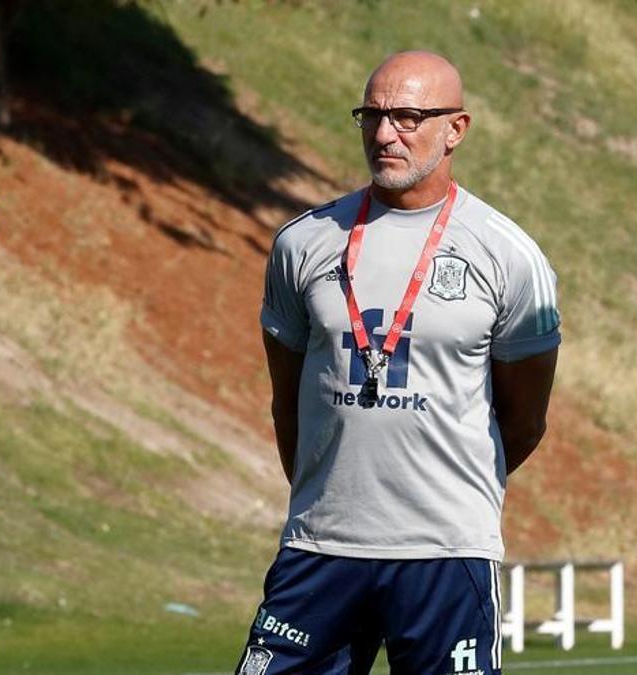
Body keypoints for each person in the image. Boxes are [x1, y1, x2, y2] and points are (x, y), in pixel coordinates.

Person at [235, 51, 561, 675]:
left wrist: (442, 490)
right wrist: (329, 493)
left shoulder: (510, 256)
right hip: (321, 547)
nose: (385, 134)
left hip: (445, 552)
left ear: (456, 128)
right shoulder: (303, 242)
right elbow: (287, 400)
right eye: (373, 116)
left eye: (409, 117)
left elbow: (523, 423)